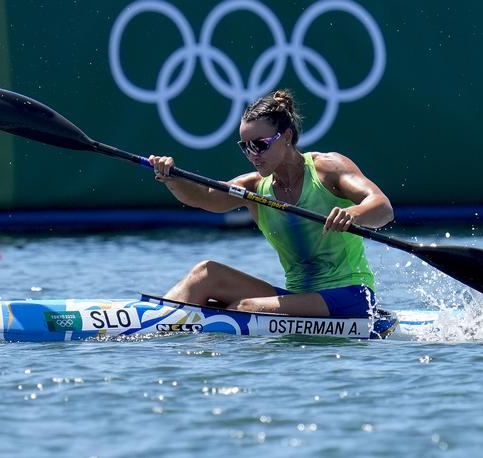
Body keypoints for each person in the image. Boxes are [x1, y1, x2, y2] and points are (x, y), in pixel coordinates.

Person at [148, 90, 393, 317]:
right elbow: (204, 197)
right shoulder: (253, 187)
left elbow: (382, 208)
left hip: (352, 296)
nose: (253, 154)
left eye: (260, 144)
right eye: (246, 147)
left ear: (286, 137)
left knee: (244, 308)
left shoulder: (328, 169)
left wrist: (353, 214)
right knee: (205, 274)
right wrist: (171, 177)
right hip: (300, 297)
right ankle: (151, 323)